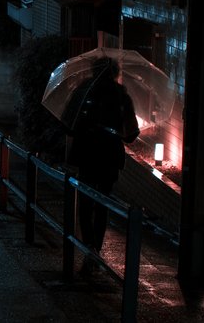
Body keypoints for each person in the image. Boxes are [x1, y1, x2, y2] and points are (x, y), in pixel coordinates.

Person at [64, 57, 139, 276]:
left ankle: (90, 247)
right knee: (103, 203)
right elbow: (131, 134)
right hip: (109, 156)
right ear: (115, 73)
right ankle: (96, 248)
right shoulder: (122, 96)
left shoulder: (83, 91)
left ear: (93, 70)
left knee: (85, 203)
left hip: (86, 152)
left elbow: (68, 124)